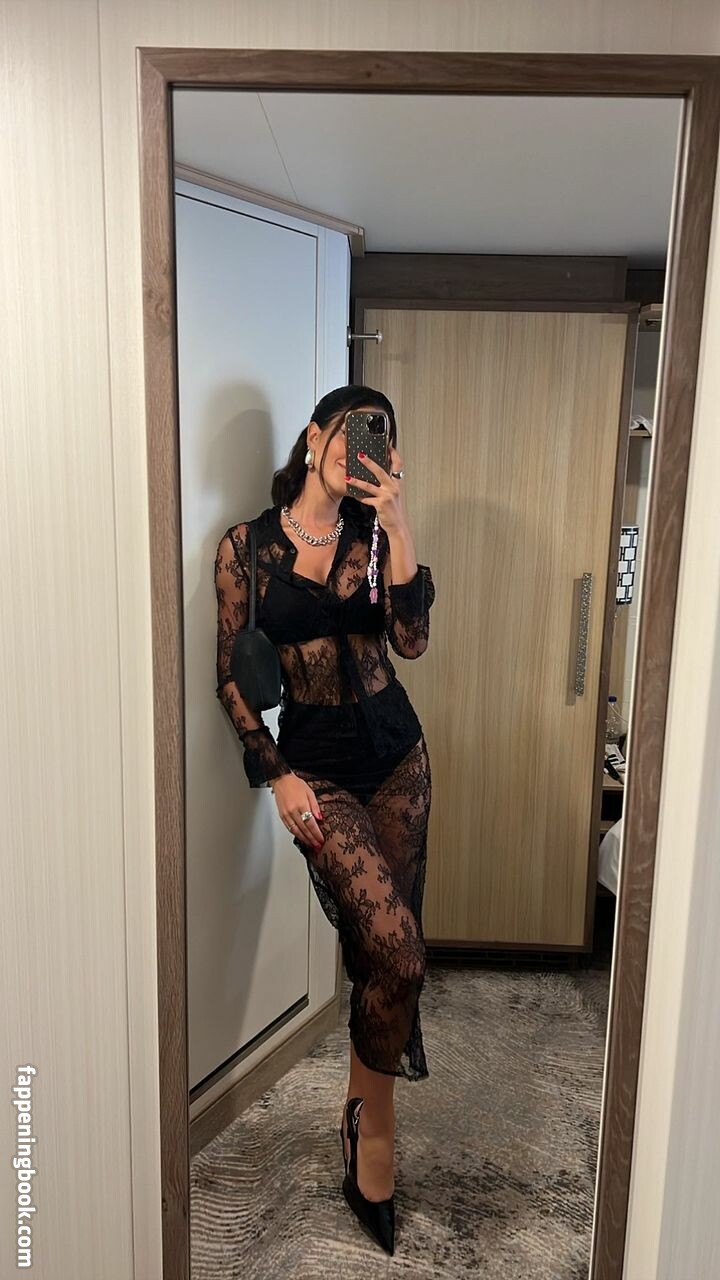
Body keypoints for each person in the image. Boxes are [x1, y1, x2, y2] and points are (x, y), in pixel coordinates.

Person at [214, 384, 435, 1255]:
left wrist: (401, 523)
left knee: (385, 957)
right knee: (400, 953)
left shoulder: (375, 537)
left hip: (398, 760)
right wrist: (276, 776)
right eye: (349, 433)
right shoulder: (247, 549)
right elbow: (231, 677)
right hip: (319, 774)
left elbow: (411, 643)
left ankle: (363, 1117)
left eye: (379, 437)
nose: (359, 450)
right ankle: (373, 1126)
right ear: (315, 438)